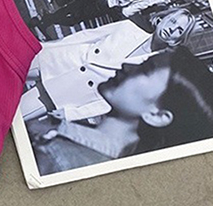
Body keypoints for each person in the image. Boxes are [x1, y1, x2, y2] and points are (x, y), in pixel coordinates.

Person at [29, 47, 213, 175]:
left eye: (145, 70)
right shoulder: (76, 142)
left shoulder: (57, 160)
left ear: (156, 115)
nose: (127, 66)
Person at [20, 8, 196, 123]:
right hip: (57, 59)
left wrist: (72, 113)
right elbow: (85, 36)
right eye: (173, 21)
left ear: (178, 40)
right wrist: (45, 47)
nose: (172, 29)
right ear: (163, 18)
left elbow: (112, 101)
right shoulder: (128, 28)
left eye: (179, 30)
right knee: (5, 71)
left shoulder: (150, 73)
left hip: (67, 92)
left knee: (15, 115)